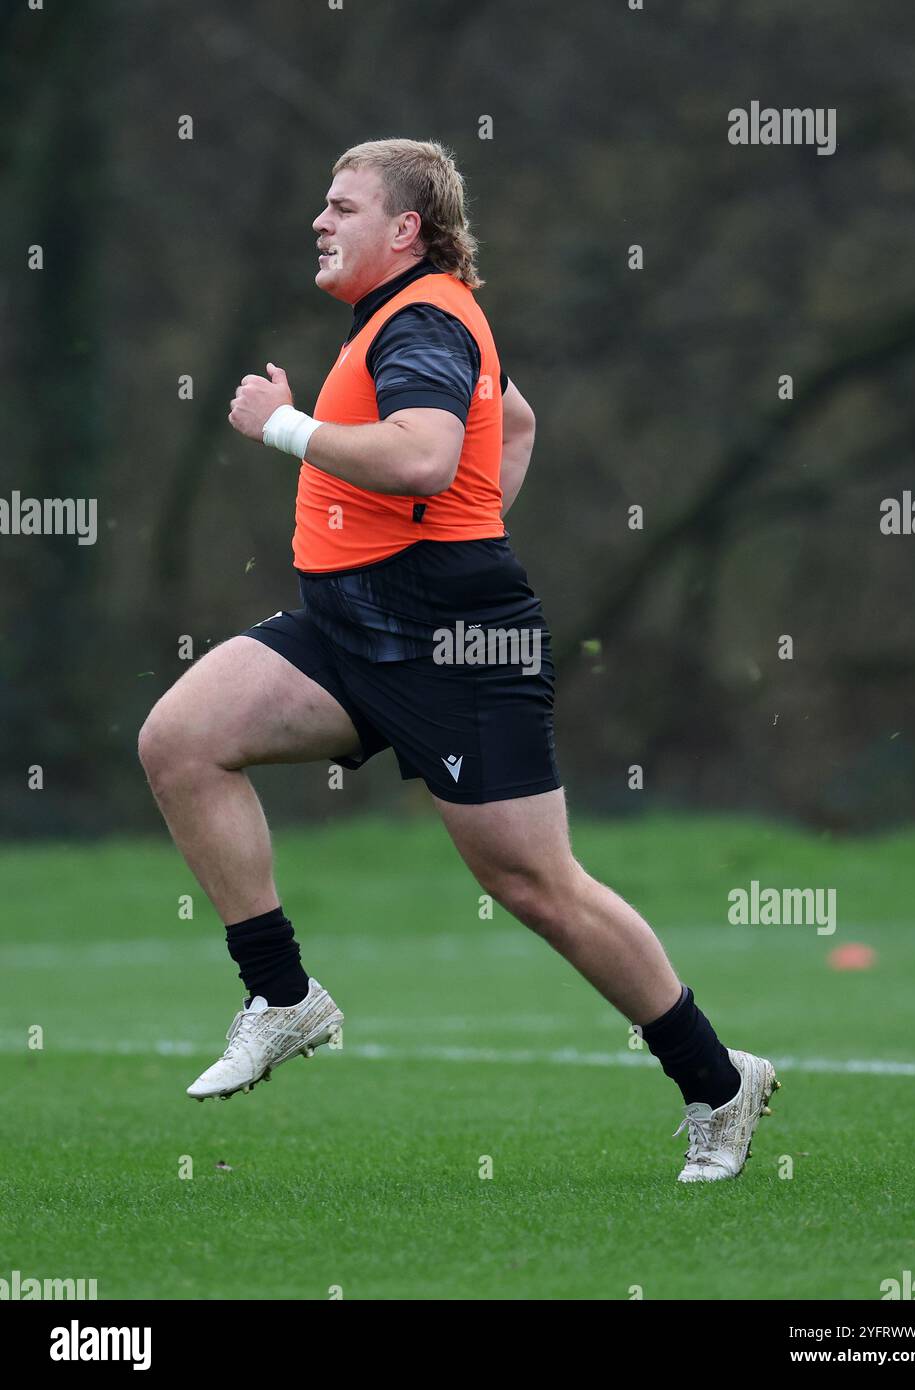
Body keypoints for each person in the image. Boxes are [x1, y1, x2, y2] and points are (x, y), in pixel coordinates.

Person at [137, 138, 778, 1181]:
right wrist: (463, 521)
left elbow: (429, 454)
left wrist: (286, 427)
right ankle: (284, 995)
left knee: (536, 885)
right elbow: (510, 423)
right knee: (182, 739)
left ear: (405, 230)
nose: (319, 221)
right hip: (349, 625)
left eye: (342, 206)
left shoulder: (425, 319)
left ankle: (718, 1080)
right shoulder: (401, 320)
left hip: (456, 642)